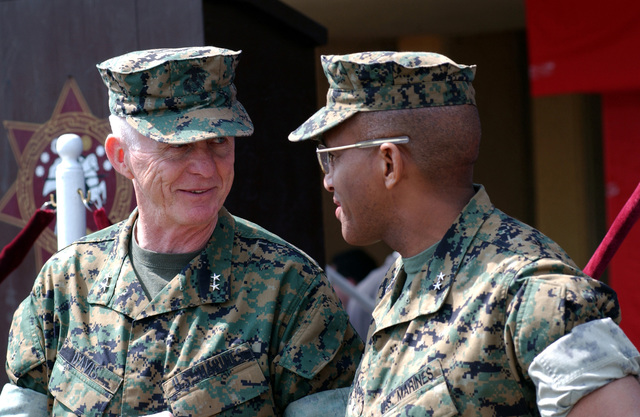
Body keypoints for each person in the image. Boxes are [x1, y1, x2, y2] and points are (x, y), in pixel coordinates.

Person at [0, 46, 363, 416]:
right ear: (120, 157)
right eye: (177, 146)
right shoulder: (64, 284)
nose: (205, 168)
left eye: (219, 141)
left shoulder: (291, 288)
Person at [288, 51, 640, 416]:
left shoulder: (531, 295)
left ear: (388, 163)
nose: (328, 179)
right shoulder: (403, 285)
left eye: (331, 155)